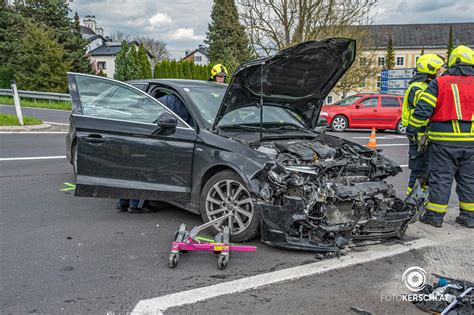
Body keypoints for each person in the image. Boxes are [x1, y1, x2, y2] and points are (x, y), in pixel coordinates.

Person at [406, 45, 474, 228]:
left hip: (444, 143)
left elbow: (423, 110)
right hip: (471, 144)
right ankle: (469, 217)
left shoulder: (441, 83)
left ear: (454, 62)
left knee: (441, 178)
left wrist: (412, 130)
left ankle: (434, 217)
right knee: (469, 179)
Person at [401, 54, 445, 195]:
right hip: (418, 135)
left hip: (426, 135)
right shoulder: (417, 87)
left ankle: (422, 199)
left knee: (427, 170)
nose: (442, 71)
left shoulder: (425, 85)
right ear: (431, 70)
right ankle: (411, 201)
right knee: (419, 170)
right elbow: (427, 104)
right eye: (440, 69)